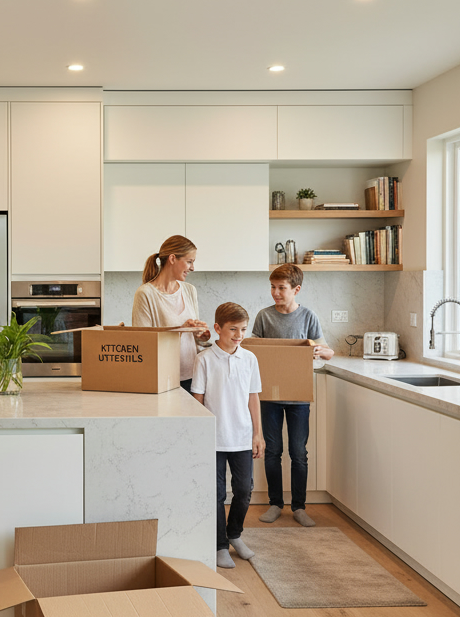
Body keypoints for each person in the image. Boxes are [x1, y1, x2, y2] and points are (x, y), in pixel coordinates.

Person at [253, 264, 335, 528]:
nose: (275, 292)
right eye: (272, 287)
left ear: (296, 289)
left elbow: (328, 351)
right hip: (269, 397)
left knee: (298, 452)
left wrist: (319, 351)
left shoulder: (308, 317)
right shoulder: (264, 317)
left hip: (298, 397)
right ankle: (275, 504)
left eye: (281, 288)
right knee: (272, 451)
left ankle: (299, 507)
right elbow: (252, 349)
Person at [191, 302, 265, 569]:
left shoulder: (250, 359)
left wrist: (258, 434)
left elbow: (253, 397)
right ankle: (220, 545)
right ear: (218, 328)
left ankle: (234, 534)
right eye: (233, 329)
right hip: (213, 438)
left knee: (244, 490)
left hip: (242, 437)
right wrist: (199, 437)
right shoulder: (204, 360)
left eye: (243, 329)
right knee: (216, 494)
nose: (239, 335)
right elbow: (197, 401)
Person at [132, 235, 211, 393]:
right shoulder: (145, 294)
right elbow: (142, 346)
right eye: (189, 261)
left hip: (192, 376)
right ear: (173, 259)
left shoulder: (190, 290)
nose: (193, 268)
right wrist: (180, 330)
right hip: (162, 378)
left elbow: (191, 341)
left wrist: (199, 336)